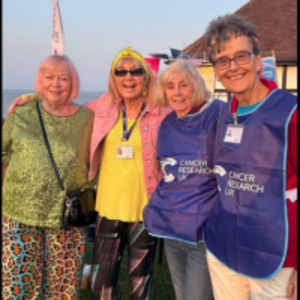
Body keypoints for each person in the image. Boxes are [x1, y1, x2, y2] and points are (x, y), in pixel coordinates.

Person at [7, 47, 171, 300]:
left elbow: (188, 107)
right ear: (113, 78)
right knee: (100, 284)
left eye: (136, 71)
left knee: (140, 285)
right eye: (121, 72)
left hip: (145, 210)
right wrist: (34, 98)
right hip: (108, 208)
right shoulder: (103, 107)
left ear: (146, 76)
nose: (128, 77)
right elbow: (62, 105)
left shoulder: (162, 111)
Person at [202, 14, 298, 300]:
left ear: (258, 59)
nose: (233, 67)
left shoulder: (290, 113)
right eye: (223, 60)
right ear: (216, 70)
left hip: (278, 256)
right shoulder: (221, 114)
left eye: (241, 56)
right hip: (225, 246)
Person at [2, 54, 94, 300]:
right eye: (49, 77)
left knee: (60, 290)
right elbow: (3, 156)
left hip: (65, 218)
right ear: (40, 81)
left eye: (63, 78)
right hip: (18, 215)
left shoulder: (89, 118)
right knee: (17, 287)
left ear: (72, 83)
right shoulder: (20, 114)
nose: (56, 84)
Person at [143, 60, 225, 300]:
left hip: (204, 234)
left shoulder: (219, 115)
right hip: (172, 230)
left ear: (197, 86)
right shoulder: (168, 122)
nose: (177, 92)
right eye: (170, 86)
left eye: (184, 85)